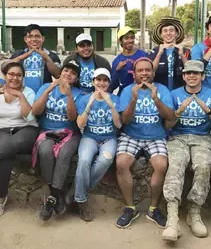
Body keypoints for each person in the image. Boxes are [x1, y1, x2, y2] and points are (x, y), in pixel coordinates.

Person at [162, 60, 211, 241]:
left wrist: (208, 110)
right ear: (183, 76)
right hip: (178, 138)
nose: (191, 76)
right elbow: (167, 125)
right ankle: (172, 217)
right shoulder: (174, 95)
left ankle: (194, 212)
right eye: (188, 73)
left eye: (196, 73)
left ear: (203, 76)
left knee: (203, 165)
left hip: (202, 139)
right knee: (175, 165)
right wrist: (179, 110)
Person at [116, 57, 174, 229]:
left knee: (161, 165)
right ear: (134, 74)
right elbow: (125, 120)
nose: (144, 74)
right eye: (140, 70)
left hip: (156, 136)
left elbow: (170, 116)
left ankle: (153, 209)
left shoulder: (162, 90)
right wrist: (133, 100)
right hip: (131, 135)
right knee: (121, 163)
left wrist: (156, 99)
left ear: (153, 72)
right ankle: (130, 208)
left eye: (147, 70)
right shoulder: (127, 90)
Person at [32, 60, 82, 221]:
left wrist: (68, 95)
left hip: (70, 132)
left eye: (73, 73)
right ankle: (57, 194)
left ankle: (51, 198)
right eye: (66, 70)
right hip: (47, 131)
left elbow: (72, 117)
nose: (68, 74)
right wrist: (47, 91)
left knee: (65, 153)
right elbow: (36, 111)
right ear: (60, 72)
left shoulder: (78, 94)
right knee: (45, 151)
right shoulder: (46, 87)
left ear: (76, 79)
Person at [74, 68, 121, 221]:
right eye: (98, 80)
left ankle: (79, 191)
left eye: (105, 80)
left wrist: (111, 105)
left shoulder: (115, 98)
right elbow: (80, 124)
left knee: (105, 159)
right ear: (93, 82)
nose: (101, 83)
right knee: (84, 161)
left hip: (109, 138)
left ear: (109, 83)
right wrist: (89, 104)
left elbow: (119, 125)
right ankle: (82, 201)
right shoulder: (83, 98)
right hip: (90, 137)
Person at [0, 62, 39, 216]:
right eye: (11, 74)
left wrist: (20, 96)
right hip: (2, 130)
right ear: (5, 76)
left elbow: (29, 116)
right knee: (6, 153)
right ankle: (2, 196)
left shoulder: (28, 92)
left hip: (26, 129)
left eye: (18, 75)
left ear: (23, 77)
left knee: (7, 147)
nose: (14, 78)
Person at [1, 24, 61, 93]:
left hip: (44, 96)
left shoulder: (51, 55)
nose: (34, 39)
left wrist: (47, 59)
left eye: (37, 36)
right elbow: (4, 68)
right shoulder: (18, 54)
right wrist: (21, 57)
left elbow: (58, 75)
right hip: (22, 96)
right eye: (30, 36)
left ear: (43, 38)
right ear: (25, 39)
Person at [148, 16, 190, 91]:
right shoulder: (154, 51)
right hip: (160, 91)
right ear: (161, 34)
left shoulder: (185, 51)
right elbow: (150, 71)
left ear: (176, 33)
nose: (168, 33)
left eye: (171, 30)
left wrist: (182, 55)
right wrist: (159, 54)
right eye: (165, 31)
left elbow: (191, 70)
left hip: (180, 91)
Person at [109, 26, 147, 95]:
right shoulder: (116, 61)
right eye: (126, 38)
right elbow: (113, 86)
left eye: (132, 37)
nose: (130, 41)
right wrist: (117, 70)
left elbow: (151, 77)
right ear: (120, 41)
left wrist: (137, 68)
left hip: (141, 95)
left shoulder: (143, 55)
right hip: (124, 96)